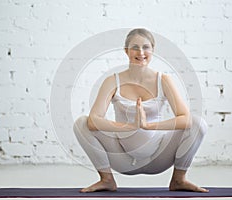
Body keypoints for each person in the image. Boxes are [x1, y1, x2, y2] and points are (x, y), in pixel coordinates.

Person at [73, 28, 208, 193]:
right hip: (122, 158)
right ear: (126, 51)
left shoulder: (164, 80)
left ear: (152, 50)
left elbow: (186, 119)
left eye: (146, 47)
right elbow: (93, 121)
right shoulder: (112, 81)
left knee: (198, 124)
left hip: (159, 157)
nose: (141, 52)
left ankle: (179, 180)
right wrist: (129, 127)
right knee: (81, 123)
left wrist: (147, 125)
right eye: (135, 47)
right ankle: (107, 179)